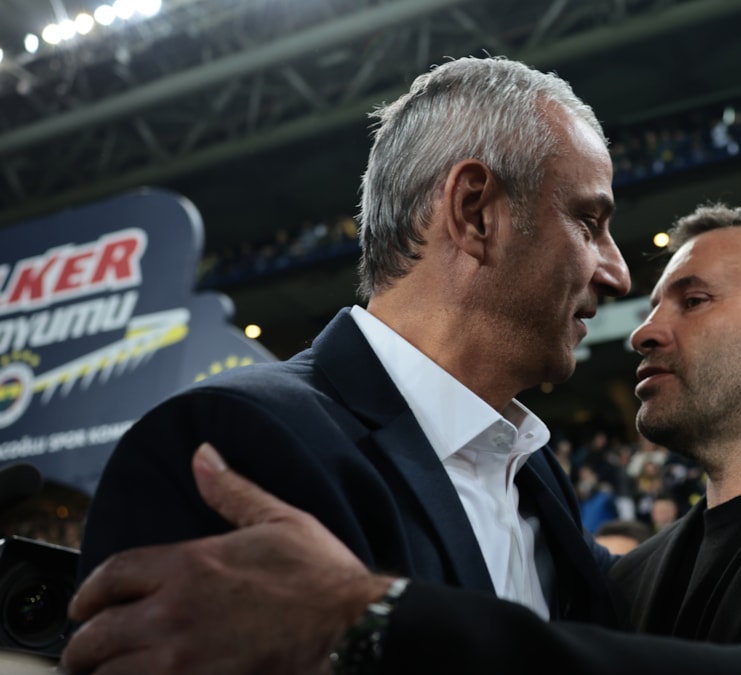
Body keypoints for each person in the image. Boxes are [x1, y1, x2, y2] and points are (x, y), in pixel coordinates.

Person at [65, 203, 741, 674]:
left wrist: (371, 619)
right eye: (655, 302)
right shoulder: (625, 579)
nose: (643, 327)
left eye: (693, 299)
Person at [65, 56, 631, 673]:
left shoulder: (534, 470)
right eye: (589, 222)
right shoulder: (229, 443)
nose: (618, 274)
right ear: (475, 212)